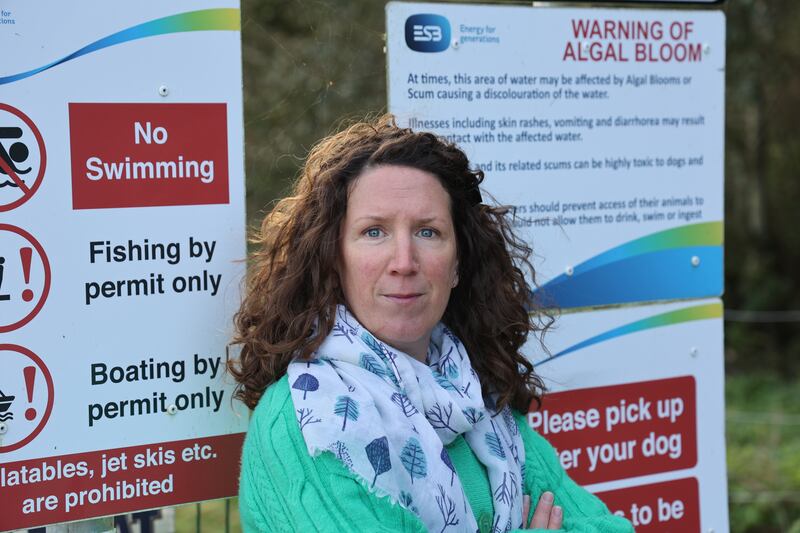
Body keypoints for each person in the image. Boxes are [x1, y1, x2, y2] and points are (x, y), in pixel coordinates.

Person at [230, 115, 633, 532]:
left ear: (457, 263)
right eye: (374, 232)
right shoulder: (307, 421)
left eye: (427, 232)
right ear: (333, 259)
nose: (404, 262)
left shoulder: (480, 397)